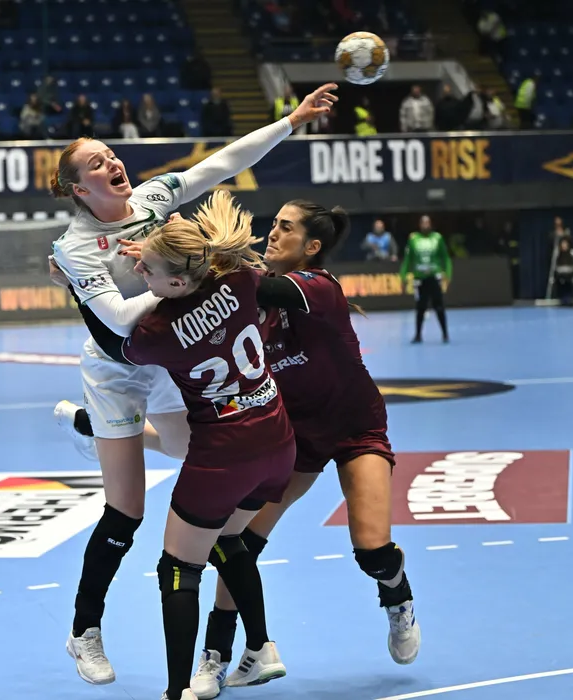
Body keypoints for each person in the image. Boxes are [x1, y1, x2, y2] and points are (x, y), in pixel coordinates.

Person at [47, 83, 338, 685]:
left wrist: (291, 120)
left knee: (190, 452)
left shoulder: (153, 198)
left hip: (166, 362)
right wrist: (186, 274)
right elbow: (119, 321)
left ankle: (91, 430)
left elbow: (222, 162)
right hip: (117, 370)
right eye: (96, 163)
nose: (111, 162)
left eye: (110, 153)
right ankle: (84, 632)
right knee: (126, 511)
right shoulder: (75, 249)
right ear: (79, 189)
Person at [183, 200, 422, 698]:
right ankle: (219, 653)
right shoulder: (252, 306)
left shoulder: (318, 287)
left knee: (373, 552)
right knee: (236, 542)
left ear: (311, 246)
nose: (272, 233)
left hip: (355, 429)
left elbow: (260, 286)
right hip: (294, 436)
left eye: (285, 228)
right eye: (273, 225)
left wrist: (197, 259)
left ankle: (396, 595)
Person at [76, 191, 297, 700]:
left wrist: (78, 287)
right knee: (227, 539)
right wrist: (159, 252)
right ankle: (260, 645)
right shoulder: (240, 278)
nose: (140, 278)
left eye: (148, 272)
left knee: (178, 568)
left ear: (177, 283)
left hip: (224, 457)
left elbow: (112, 341)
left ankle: (177, 693)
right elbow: (209, 273)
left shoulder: (159, 330)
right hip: (277, 444)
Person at [400, 215, 451, 344]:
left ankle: (445, 334)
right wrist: (403, 276)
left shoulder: (437, 238)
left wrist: (448, 274)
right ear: (419, 224)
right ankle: (418, 335)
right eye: (423, 223)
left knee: (439, 306)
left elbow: (445, 257)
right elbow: (408, 259)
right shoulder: (414, 239)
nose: (425, 225)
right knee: (420, 307)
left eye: (427, 222)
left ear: (431, 224)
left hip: (434, 277)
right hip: (420, 278)